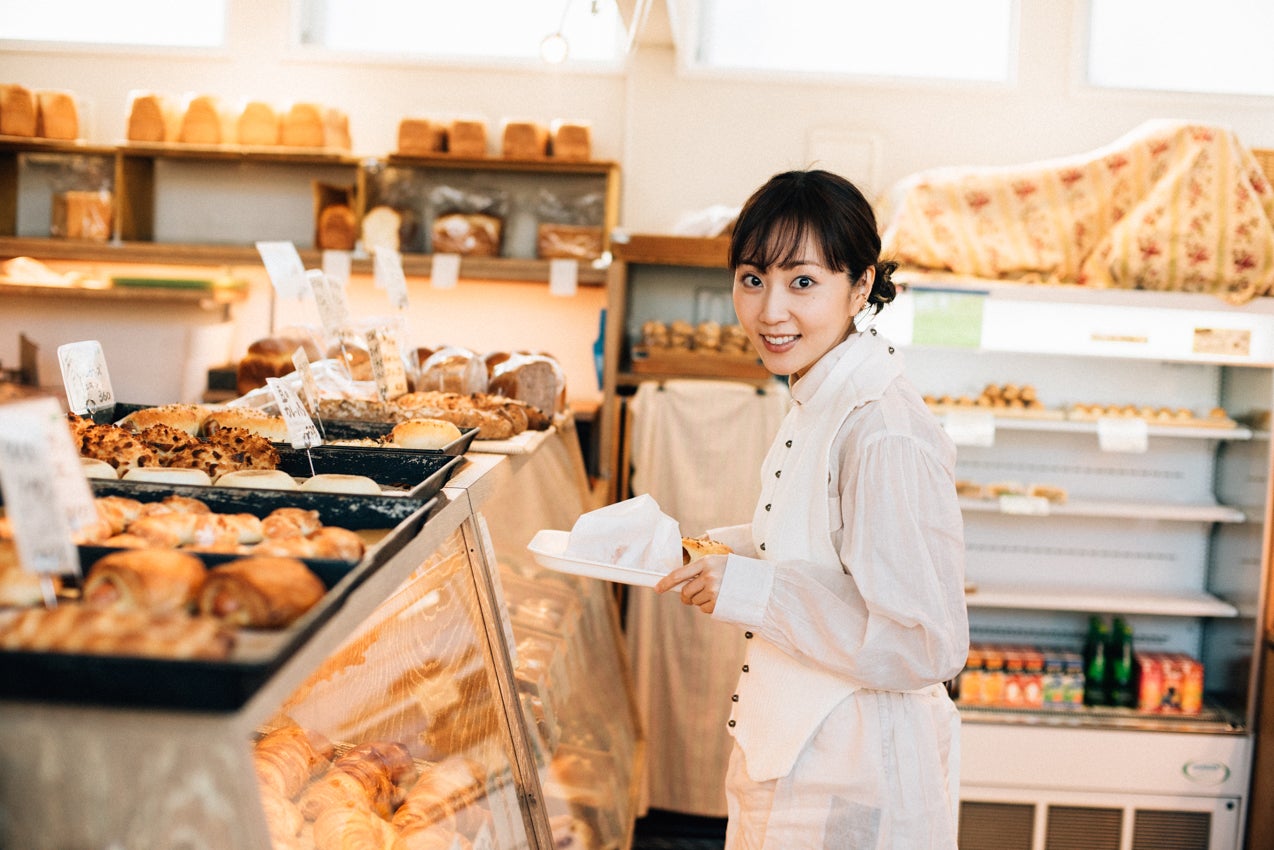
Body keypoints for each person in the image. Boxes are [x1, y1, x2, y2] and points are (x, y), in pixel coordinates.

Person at [654, 169, 969, 849]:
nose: (770, 311)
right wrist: (714, 550)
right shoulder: (817, 391)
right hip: (802, 763)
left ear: (860, 285)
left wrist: (747, 587)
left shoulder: (881, 428)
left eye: (802, 282)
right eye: (751, 279)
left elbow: (923, 639)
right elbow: (819, 547)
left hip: (855, 775)